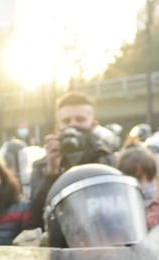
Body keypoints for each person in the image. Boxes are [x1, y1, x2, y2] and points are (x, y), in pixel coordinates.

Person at [27, 91, 117, 228]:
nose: (72, 125)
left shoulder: (106, 158)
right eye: (66, 121)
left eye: (80, 120)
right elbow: (35, 217)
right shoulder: (42, 166)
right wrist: (51, 171)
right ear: (58, 128)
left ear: (93, 125)